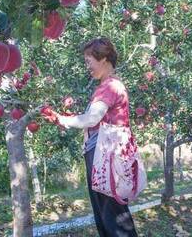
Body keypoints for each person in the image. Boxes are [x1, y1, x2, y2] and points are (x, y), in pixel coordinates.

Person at [53, 37, 138, 237]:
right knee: (105, 215)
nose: (87, 66)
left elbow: (91, 119)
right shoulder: (106, 86)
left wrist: (62, 119)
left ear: (104, 59)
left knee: (113, 217)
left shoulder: (110, 86)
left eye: (88, 60)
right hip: (101, 155)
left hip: (106, 157)